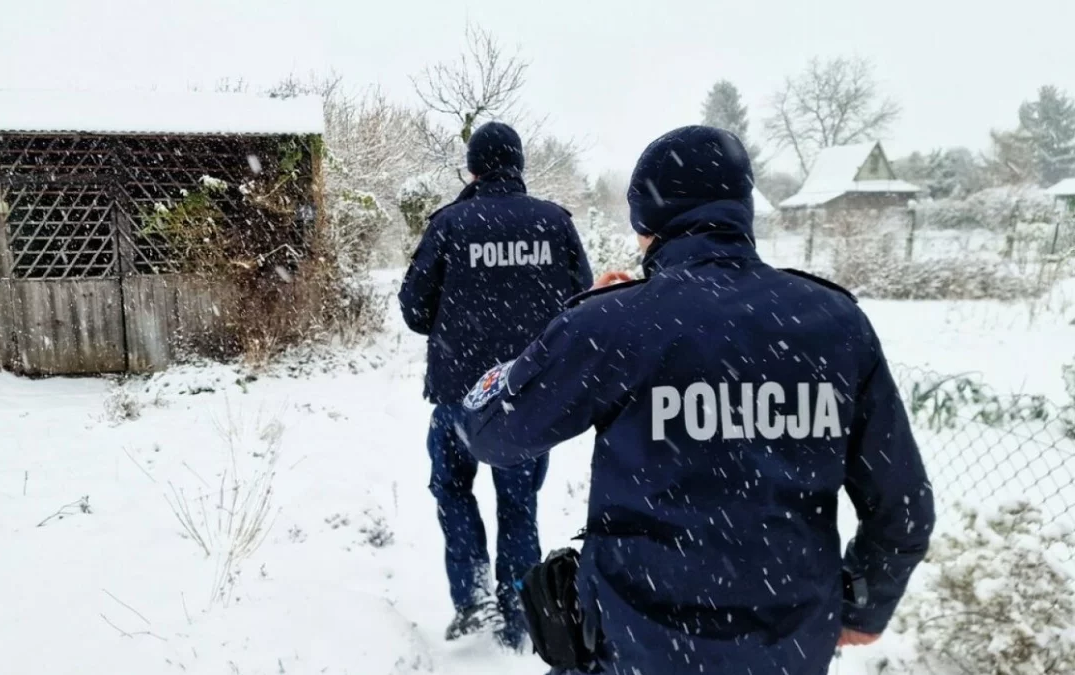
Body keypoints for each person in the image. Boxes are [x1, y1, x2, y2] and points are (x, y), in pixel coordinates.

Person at [460, 126, 935, 674]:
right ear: (743, 209)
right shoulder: (836, 323)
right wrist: (865, 607)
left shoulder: (615, 325)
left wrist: (574, 323)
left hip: (638, 648)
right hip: (788, 650)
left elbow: (492, 431)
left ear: (646, 223)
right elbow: (903, 505)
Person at [399, 121, 594, 649]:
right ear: (519, 165)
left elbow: (414, 309)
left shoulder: (450, 224)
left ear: (473, 168)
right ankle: (519, 615)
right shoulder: (554, 223)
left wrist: (459, 321)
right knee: (519, 504)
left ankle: (473, 597)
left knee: (452, 487)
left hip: (460, 392)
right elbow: (582, 304)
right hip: (527, 395)